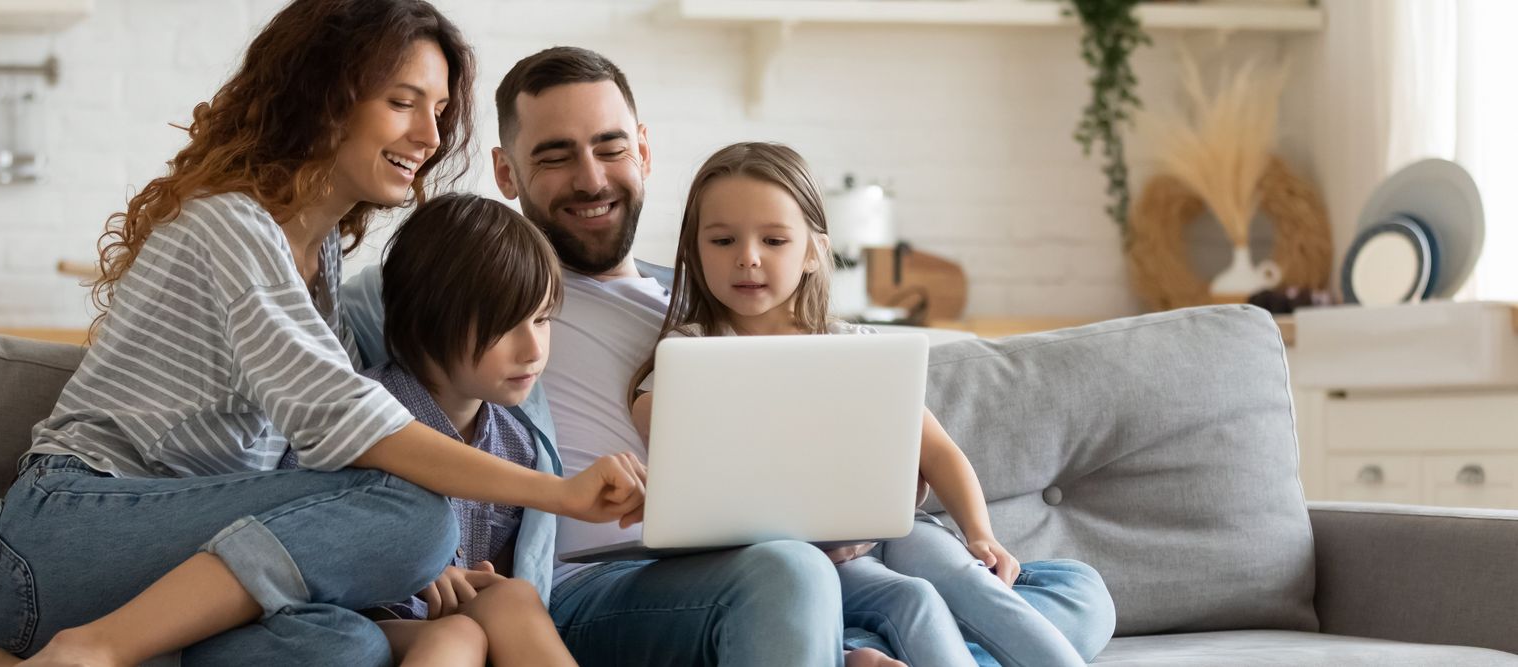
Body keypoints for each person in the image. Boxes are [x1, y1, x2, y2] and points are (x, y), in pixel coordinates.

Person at [0, 3, 643, 666]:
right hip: (64, 537)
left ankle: (11, 666)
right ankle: (96, 650)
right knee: (419, 516)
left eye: (437, 111)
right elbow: (347, 425)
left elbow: (324, 444)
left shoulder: (323, 259)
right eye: (402, 102)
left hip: (170, 571)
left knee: (345, 649)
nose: (430, 137)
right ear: (324, 96)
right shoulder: (232, 227)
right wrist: (560, 490)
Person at [360, 46, 1122, 666]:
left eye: (609, 147)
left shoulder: (717, 298)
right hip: (604, 583)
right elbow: (370, 407)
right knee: (792, 570)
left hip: (789, 562)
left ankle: (855, 646)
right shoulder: (488, 291)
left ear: (644, 151)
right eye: (556, 156)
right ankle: (856, 642)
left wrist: (858, 502)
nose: (591, 178)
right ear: (506, 172)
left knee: (1080, 589)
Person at [627, 141, 1091, 667]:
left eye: (774, 239)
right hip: (806, 559)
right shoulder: (689, 359)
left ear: (813, 252)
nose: (748, 256)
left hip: (895, 528)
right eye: (722, 239)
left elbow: (938, 453)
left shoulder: (855, 346)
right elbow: (690, 485)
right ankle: (857, 652)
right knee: (911, 599)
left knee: (970, 579)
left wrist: (981, 536)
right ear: (693, 249)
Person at [279, 192, 580, 667]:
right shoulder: (357, 413)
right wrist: (409, 563)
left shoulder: (517, 445)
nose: (533, 349)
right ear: (428, 322)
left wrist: (478, 581)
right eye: (505, 326)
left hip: (451, 624)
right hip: (351, 621)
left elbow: (492, 576)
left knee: (513, 598)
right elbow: (294, 531)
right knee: (456, 636)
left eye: (542, 319)